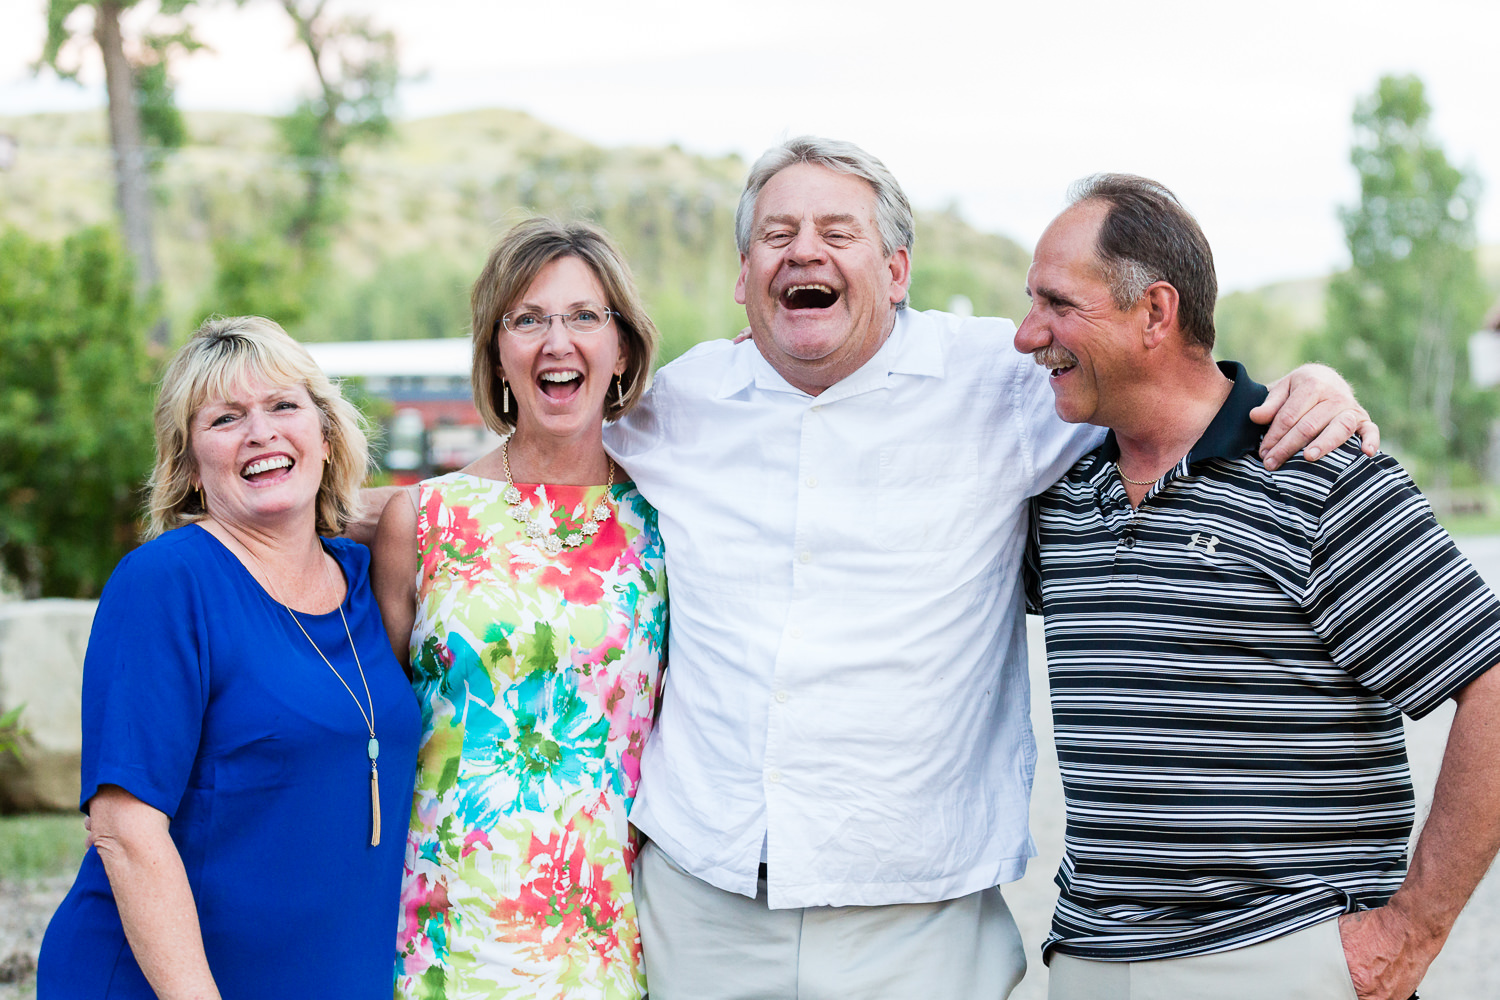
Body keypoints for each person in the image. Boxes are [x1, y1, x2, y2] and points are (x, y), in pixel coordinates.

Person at [601, 137, 1380, 999]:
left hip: (918, 924)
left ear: (897, 270)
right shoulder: (673, 405)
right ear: (744, 276)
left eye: (837, 230)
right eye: (776, 234)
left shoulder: (1004, 382)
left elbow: (1171, 386)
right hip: (700, 902)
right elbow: (537, 454)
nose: (805, 250)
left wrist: (1314, 386)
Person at [1019, 174, 1500, 1000]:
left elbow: (1492, 681)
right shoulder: (1060, 499)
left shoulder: (1321, 479)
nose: (1029, 335)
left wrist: (1409, 933)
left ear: (1156, 314)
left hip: (1283, 961)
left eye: (1058, 304)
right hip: (1090, 960)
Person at [37, 317, 421, 999]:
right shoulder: (167, 584)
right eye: (225, 418)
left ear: (326, 436)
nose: (261, 432)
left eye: (283, 406)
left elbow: (464, 509)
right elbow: (125, 828)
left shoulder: (369, 582)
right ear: (187, 464)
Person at [374, 218, 667, 1000]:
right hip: (445, 927)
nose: (556, 341)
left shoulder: (668, 522)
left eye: (583, 316)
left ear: (624, 348)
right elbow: (381, 726)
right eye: (528, 319)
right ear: (497, 351)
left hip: (607, 928)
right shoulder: (424, 521)